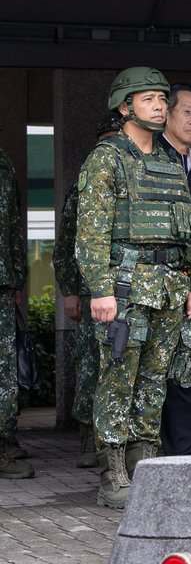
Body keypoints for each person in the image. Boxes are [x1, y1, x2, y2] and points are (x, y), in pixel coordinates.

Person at [75, 67, 191, 508]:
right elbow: (90, 234)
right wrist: (101, 290)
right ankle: (112, 475)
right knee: (117, 381)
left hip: (168, 289)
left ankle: (143, 466)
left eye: (162, 99)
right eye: (149, 98)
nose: (159, 106)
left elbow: (187, 230)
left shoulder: (170, 162)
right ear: (124, 106)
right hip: (126, 290)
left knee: (154, 383)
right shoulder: (106, 158)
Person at [54, 112, 123, 469]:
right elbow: (67, 241)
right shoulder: (86, 183)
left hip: (128, 287)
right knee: (89, 366)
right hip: (90, 290)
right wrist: (69, 289)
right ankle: (89, 439)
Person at [157, 83, 191, 457]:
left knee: (190, 375)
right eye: (186, 112)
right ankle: (145, 462)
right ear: (167, 113)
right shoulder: (147, 159)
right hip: (154, 288)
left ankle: (187, 457)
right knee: (150, 380)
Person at [0, 139, 30, 479]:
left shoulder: (4, 163)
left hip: (2, 281)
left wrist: (18, 277)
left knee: (4, 371)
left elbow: (13, 227)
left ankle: (3, 443)